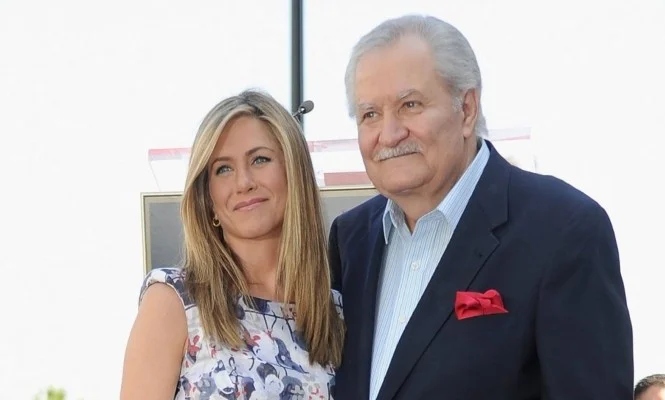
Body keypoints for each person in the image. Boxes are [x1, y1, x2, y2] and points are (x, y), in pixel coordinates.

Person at [329, 14, 633, 399]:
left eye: (410, 105)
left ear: (467, 109)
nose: (388, 134)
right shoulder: (350, 239)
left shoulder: (564, 230)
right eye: (370, 114)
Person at [121, 90, 345, 399]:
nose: (243, 182)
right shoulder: (174, 302)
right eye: (223, 169)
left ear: (295, 174)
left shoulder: (337, 314)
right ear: (208, 199)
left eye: (260, 159)